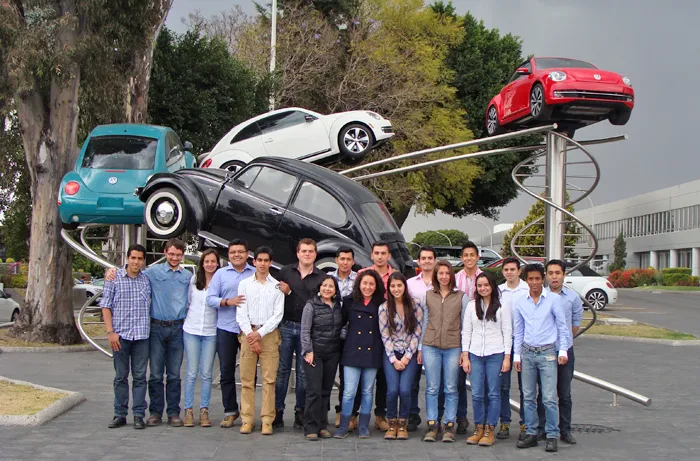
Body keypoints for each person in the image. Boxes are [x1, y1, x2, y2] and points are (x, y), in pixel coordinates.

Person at [106, 238, 192, 427]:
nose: (174, 257)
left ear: (182, 255)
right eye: (171, 254)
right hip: (156, 328)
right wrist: (111, 271)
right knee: (154, 374)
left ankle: (173, 413)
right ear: (165, 253)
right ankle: (154, 412)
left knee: (174, 374)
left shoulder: (187, 277)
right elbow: (130, 271)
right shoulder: (152, 273)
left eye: (178, 255)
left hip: (177, 328)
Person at [513, 264, 571, 453]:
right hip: (528, 353)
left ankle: (552, 435)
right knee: (528, 397)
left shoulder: (553, 300)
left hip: (547, 353)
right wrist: (517, 354)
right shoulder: (521, 302)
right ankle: (531, 432)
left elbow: (563, 327)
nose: (535, 282)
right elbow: (519, 330)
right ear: (526, 280)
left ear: (543, 279)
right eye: (531, 279)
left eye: (538, 279)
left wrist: (563, 351)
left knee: (548, 398)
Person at [275, 238, 326, 429]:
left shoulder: (321, 278)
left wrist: (290, 293)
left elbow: (317, 305)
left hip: (308, 331)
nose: (307, 254)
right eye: (303, 251)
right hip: (286, 326)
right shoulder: (285, 272)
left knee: (304, 375)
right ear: (297, 253)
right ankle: (277, 411)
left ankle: (300, 412)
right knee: (282, 372)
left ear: (315, 254)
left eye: (310, 251)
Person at [101, 244, 151, 430]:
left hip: (141, 336)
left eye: (139, 258)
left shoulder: (146, 281)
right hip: (120, 336)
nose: (136, 262)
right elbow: (106, 306)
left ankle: (138, 414)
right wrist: (110, 332)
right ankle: (119, 414)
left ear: (143, 260)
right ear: (127, 258)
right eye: (133, 258)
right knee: (121, 376)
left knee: (139, 376)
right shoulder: (114, 279)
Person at [236, 246, 285, 435]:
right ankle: (247, 419)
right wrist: (251, 335)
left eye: (266, 260)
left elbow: (277, 315)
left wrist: (260, 334)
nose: (263, 264)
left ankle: (267, 420)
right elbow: (241, 313)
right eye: (259, 260)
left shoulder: (276, 286)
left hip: (269, 334)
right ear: (253, 262)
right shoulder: (245, 284)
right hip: (248, 333)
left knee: (269, 380)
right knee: (247, 380)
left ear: (270, 263)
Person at [206, 239, 255, 428]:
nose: (236, 255)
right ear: (229, 254)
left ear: (247, 253)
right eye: (233, 252)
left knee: (249, 373)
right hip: (226, 328)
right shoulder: (220, 274)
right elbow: (210, 299)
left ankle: (247, 413)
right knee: (226, 371)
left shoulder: (254, 272)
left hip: (248, 330)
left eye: (240, 252)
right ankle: (230, 410)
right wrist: (228, 302)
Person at [420, 260, 469, 443]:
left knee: (451, 387)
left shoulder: (461, 297)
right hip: (430, 346)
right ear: (436, 275)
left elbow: (465, 325)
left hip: (453, 346)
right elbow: (424, 322)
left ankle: (449, 424)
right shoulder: (428, 296)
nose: (443, 276)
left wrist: (464, 352)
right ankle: (433, 424)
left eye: (447, 273)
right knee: (432, 387)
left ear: (451, 275)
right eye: (440, 273)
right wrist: (420, 347)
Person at [334, 270, 386, 439]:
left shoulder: (382, 303)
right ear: (359, 284)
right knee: (349, 391)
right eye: (365, 283)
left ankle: (364, 425)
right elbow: (339, 323)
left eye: (371, 284)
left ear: (376, 285)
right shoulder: (349, 301)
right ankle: (344, 425)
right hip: (352, 351)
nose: (368, 287)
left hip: (372, 351)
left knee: (368, 390)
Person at [462, 272, 512, 447]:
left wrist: (507, 357)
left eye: (486, 285)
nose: (483, 288)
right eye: (479, 285)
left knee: (493, 393)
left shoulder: (502, 306)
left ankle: (490, 428)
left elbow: (507, 332)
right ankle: (479, 428)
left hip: (495, 354)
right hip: (475, 354)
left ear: (492, 286)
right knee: (476, 394)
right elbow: (466, 331)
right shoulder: (471, 306)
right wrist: (465, 355)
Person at [539, 259, 583, 445]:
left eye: (558, 273)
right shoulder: (540, 296)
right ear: (546, 275)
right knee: (543, 392)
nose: (554, 277)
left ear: (564, 274)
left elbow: (575, 325)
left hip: (565, 351)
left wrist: (563, 343)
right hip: (544, 351)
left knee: (564, 393)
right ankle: (543, 428)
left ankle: (565, 430)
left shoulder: (572, 298)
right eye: (550, 273)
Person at [379, 272, 423, 440]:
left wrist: (406, 357)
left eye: (399, 285)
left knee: (405, 390)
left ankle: (402, 423)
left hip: (408, 354)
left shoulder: (416, 305)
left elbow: (417, 332)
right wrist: (393, 359)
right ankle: (392, 423)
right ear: (388, 288)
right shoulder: (383, 308)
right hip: (391, 353)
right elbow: (385, 336)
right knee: (392, 390)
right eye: (393, 286)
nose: (396, 289)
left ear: (405, 287)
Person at [356, 241, 394, 431]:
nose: (380, 256)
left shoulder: (394, 276)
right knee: (357, 376)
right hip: (363, 331)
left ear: (389, 256)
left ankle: (380, 415)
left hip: (386, 334)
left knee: (382, 377)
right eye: (376, 253)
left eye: (383, 253)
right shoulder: (363, 275)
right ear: (371, 255)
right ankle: (353, 415)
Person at [301, 275, 344, 440]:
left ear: (335, 290)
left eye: (331, 286)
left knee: (326, 391)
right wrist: (308, 351)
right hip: (315, 354)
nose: (327, 289)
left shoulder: (338, 306)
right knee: (314, 391)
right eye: (324, 285)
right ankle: (310, 427)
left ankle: (322, 425)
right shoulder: (311, 305)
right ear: (319, 288)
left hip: (332, 353)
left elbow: (342, 328)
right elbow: (305, 330)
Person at [182, 249, 220, 428]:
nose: (210, 264)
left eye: (213, 261)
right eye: (207, 261)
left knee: (206, 374)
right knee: (191, 373)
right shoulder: (193, 280)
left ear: (218, 263)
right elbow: (189, 302)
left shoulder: (220, 282)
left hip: (211, 332)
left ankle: (204, 410)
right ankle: (188, 410)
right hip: (191, 330)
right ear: (202, 263)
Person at [449, 241, 482, 434]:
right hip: (458, 334)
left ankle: (482, 419)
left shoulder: (484, 278)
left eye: (472, 255)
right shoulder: (455, 279)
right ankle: (460, 417)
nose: (469, 258)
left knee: (480, 382)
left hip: (480, 335)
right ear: (462, 258)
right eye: (465, 255)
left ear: (478, 257)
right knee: (458, 380)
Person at [496, 257, 529, 440]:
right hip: (504, 342)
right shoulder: (499, 291)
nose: (509, 272)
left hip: (524, 341)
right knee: (504, 386)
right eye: (506, 269)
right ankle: (505, 422)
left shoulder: (526, 290)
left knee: (526, 386)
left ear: (519, 271)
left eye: (512, 269)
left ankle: (525, 423)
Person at [406, 246, 436, 432]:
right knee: (413, 379)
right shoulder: (410, 284)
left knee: (436, 382)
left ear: (434, 260)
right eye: (423, 258)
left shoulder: (442, 281)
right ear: (418, 261)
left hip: (435, 336)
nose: (426, 261)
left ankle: (437, 417)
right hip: (413, 336)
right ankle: (412, 413)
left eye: (430, 258)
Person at [330, 247, 357, 428]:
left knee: (348, 378)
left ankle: (345, 413)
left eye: (348, 259)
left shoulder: (358, 280)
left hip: (350, 334)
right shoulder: (328, 278)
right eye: (342, 259)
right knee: (328, 374)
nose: (345, 262)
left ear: (353, 261)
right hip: (330, 334)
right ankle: (321, 413)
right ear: (336, 260)